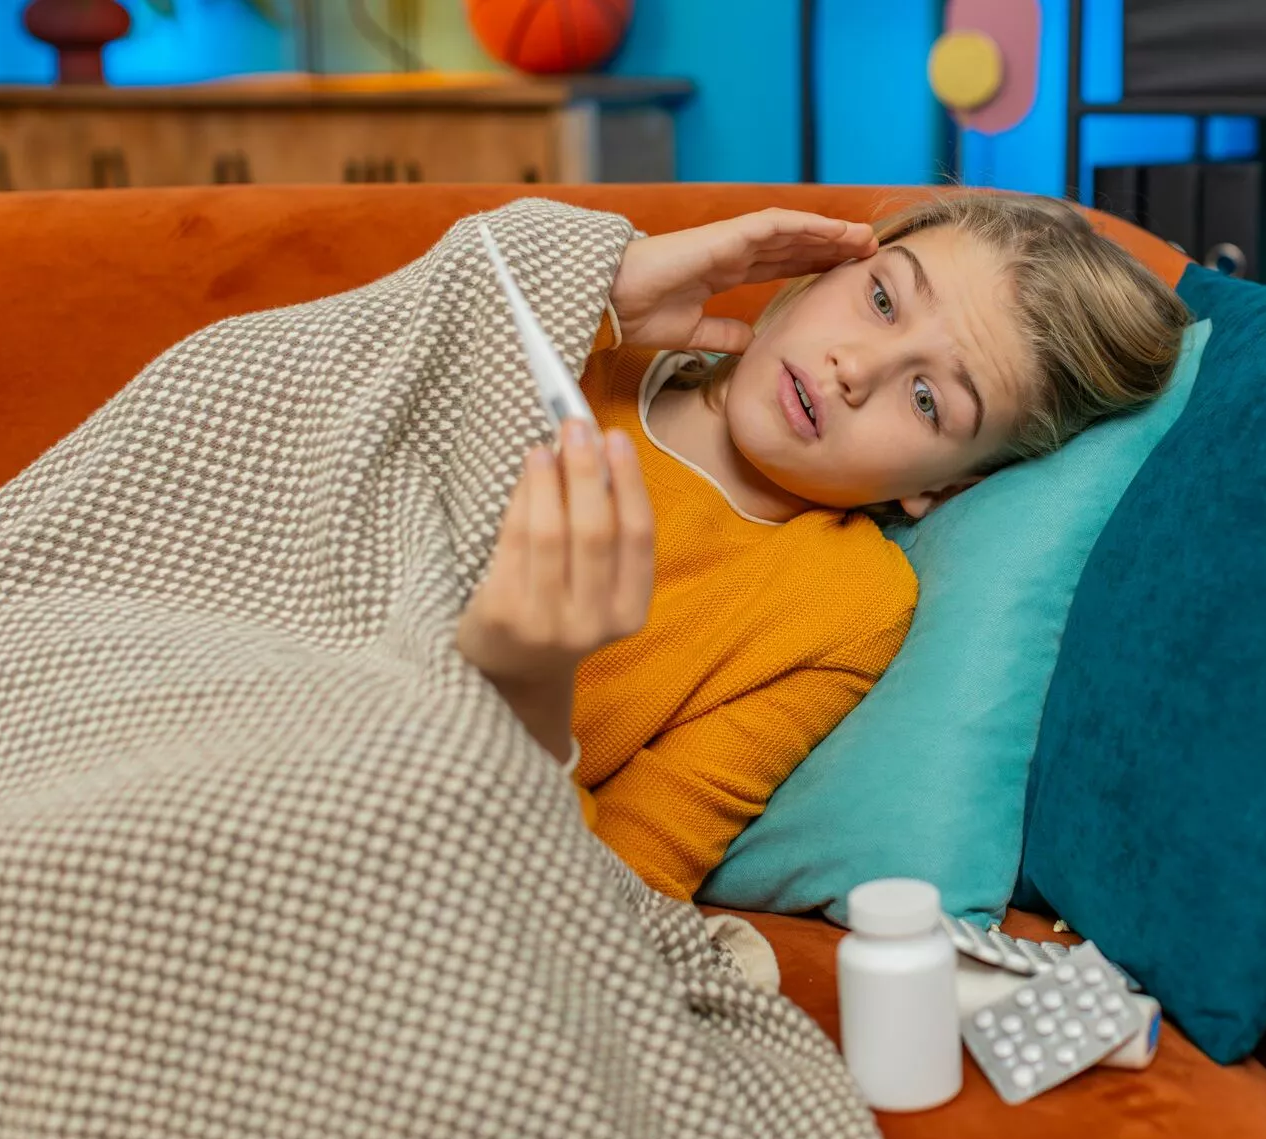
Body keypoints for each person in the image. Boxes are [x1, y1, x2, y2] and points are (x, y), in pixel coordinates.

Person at [455, 191, 1191, 901]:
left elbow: (616, 899)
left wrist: (529, 694)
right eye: (883, 300)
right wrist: (599, 288)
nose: (856, 369)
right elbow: (386, 359)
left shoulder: (841, 608)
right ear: (825, 267)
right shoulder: (574, 335)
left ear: (944, 489)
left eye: (927, 400)